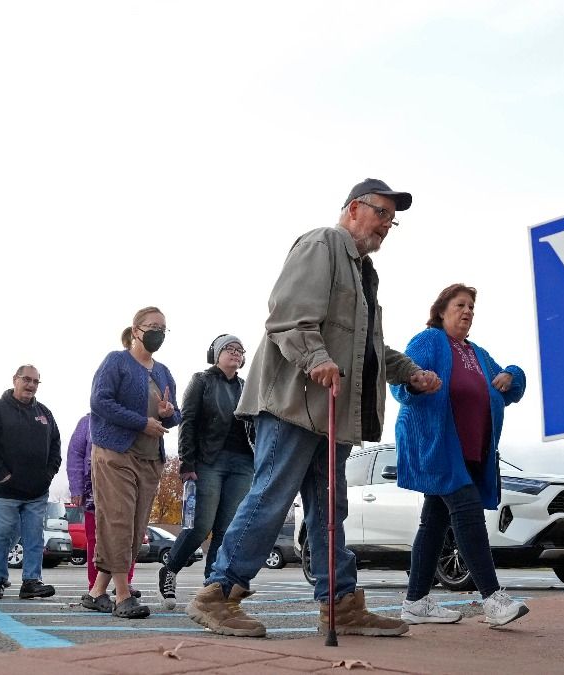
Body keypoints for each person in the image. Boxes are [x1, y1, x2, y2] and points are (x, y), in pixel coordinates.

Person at [186, 178, 441, 638]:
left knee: (329, 511)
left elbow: (367, 349)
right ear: (352, 210)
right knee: (270, 497)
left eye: (391, 219)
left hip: (332, 416)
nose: (386, 224)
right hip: (294, 405)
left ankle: (339, 603)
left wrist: (409, 373)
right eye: (380, 213)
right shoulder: (323, 243)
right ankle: (218, 594)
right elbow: (287, 315)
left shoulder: (365, 273)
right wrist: (317, 358)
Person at [392, 283, 530, 626]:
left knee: (433, 523)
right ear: (442, 311)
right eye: (460, 305)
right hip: (436, 445)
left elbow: (511, 383)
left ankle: (416, 602)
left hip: (471, 451)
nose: (467, 311)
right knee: (467, 511)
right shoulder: (429, 341)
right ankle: (493, 599)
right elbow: (400, 380)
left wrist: (511, 375)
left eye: (471, 307)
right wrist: (416, 381)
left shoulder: (478, 353)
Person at [82, 306, 181, 619]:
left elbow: (175, 414)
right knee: (119, 521)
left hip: (150, 458)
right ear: (136, 330)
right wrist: (141, 422)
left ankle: (97, 592)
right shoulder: (117, 361)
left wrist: (168, 414)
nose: (158, 333)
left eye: (164, 328)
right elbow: (100, 402)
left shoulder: (163, 371)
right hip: (115, 453)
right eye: (153, 326)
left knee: (135, 529)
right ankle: (122, 596)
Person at [158, 334, 254, 610]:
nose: (235, 353)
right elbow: (187, 421)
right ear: (215, 353)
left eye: (239, 349)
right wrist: (187, 463)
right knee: (201, 526)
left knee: (226, 531)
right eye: (229, 349)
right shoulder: (202, 381)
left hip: (242, 464)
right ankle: (170, 569)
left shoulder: (246, 387)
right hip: (209, 461)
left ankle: (213, 588)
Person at [0, 365, 62, 600]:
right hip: (2, 491)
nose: (31, 385)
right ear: (15, 379)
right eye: (27, 379)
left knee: (34, 539)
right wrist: (2, 474)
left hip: (36, 492)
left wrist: (49, 473)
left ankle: (31, 581)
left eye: (36, 381)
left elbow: (55, 444)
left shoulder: (44, 413)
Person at [66, 413, 137, 595]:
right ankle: (95, 587)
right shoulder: (86, 422)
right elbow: (75, 455)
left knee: (128, 536)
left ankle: (124, 584)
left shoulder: (132, 419)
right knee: (95, 539)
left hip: (125, 486)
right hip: (94, 490)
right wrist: (76, 488)